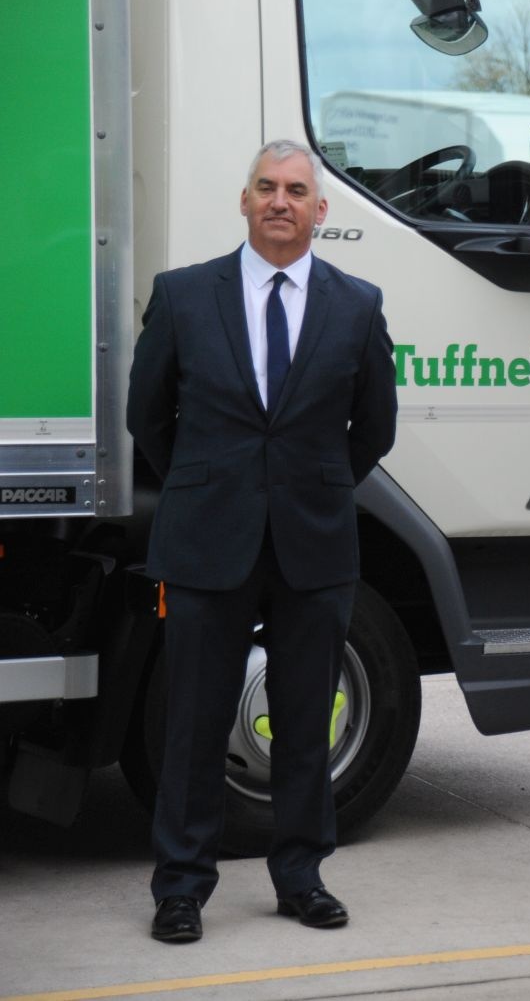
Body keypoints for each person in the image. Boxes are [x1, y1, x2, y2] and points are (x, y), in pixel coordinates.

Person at [127, 139, 398, 942]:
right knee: (194, 722)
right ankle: (181, 888)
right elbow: (149, 416)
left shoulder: (358, 305)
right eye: (267, 187)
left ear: (321, 210)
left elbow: (374, 429)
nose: (281, 201)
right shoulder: (183, 296)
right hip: (207, 541)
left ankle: (301, 877)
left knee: (307, 719)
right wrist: (209, 484)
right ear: (244, 201)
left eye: (296, 191)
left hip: (314, 545)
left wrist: (308, 486)